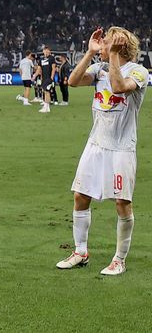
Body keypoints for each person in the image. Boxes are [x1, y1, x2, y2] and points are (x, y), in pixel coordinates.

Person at [56, 27, 147, 276]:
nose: (101, 47)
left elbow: (118, 88)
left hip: (121, 148)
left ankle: (119, 259)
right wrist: (89, 53)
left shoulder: (139, 72)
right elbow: (72, 81)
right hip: (95, 145)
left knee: (122, 203)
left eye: (105, 43)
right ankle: (81, 252)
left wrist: (115, 57)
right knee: (80, 196)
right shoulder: (98, 69)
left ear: (119, 47)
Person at [35, 46, 57, 113]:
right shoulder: (41, 59)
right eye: (45, 50)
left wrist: (52, 77)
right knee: (45, 92)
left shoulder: (52, 58)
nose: (46, 52)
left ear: (49, 51)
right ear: (43, 51)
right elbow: (39, 69)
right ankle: (47, 107)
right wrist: (36, 76)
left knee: (47, 92)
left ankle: (46, 107)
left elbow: (54, 68)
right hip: (43, 78)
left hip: (48, 78)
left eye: (48, 50)